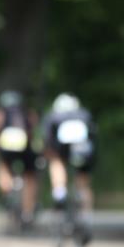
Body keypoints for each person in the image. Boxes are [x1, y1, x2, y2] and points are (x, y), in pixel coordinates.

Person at [0, 89, 40, 228]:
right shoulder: (27, 112)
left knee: (2, 166)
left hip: (6, 144)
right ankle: (28, 212)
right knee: (30, 176)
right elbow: (33, 131)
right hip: (25, 144)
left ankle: (7, 190)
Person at [42, 93, 97, 232]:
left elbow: (48, 140)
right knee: (83, 183)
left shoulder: (53, 116)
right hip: (83, 149)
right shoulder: (84, 114)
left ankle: (59, 191)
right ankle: (86, 216)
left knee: (56, 162)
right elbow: (93, 136)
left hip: (63, 148)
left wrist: (47, 154)